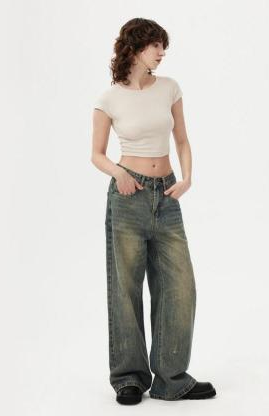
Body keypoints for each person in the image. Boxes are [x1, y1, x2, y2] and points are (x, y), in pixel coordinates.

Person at [91, 18, 217, 405]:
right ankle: (128, 378)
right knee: (125, 288)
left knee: (180, 286)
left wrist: (188, 177)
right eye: (156, 46)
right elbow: (96, 154)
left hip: (167, 195)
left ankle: (171, 378)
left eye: (164, 46)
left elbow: (182, 139)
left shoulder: (169, 88)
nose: (162, 53)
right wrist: (119, 174)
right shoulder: (109, 98)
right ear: (135, 47)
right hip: (128, 196)